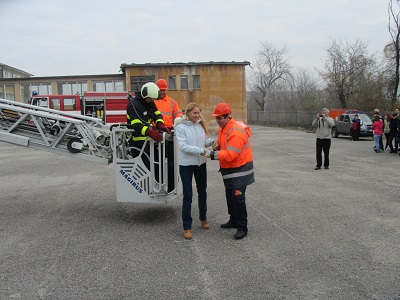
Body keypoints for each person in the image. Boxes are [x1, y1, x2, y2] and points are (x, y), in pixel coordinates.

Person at [203, 103, 255, 240]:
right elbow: (223, 144)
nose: (218, 121)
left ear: (228, 116)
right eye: (216, 118)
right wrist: (216, 147)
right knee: (230, 196)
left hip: (240, 170)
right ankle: (233, 220)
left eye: (220, 118)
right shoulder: (225, 129)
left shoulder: (235, 131)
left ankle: (242, 227)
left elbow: (231, 154)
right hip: (231, 171)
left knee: (238, 198)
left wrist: (212, 155)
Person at [174, 103, 213, 240]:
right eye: (194, 113)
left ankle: (203, 218)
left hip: (201, 164)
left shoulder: (200, 125)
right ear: (188, 113)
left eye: (198, 113)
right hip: (186, 165)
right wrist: (202, 151)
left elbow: (204, 142)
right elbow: (184, 146)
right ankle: (187, 227)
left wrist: (212, 142)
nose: (197, 115)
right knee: (188, 195)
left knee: (202, 191)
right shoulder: (181, 127)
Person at [126, 82, 170, 169]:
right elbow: (136, 125)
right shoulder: (133, 105)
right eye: (150, 99)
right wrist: (150, 132)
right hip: (137, 143)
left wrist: (160, 124)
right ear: (145, 95)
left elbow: (157, 114)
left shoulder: (149, 102)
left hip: (149, 142)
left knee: (153, 168)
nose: (152, 100)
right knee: (142, 169)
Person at [155, 79, 184, 192]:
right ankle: (159, 185)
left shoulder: (172, 102)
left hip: (169, 133)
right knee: (158, 161)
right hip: (156, 133)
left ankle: (171, 187)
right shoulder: (152, 101)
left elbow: (178, 113)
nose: (162, 92)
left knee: (171, 161)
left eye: (164, 90)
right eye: (160, 90)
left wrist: (178, 119)